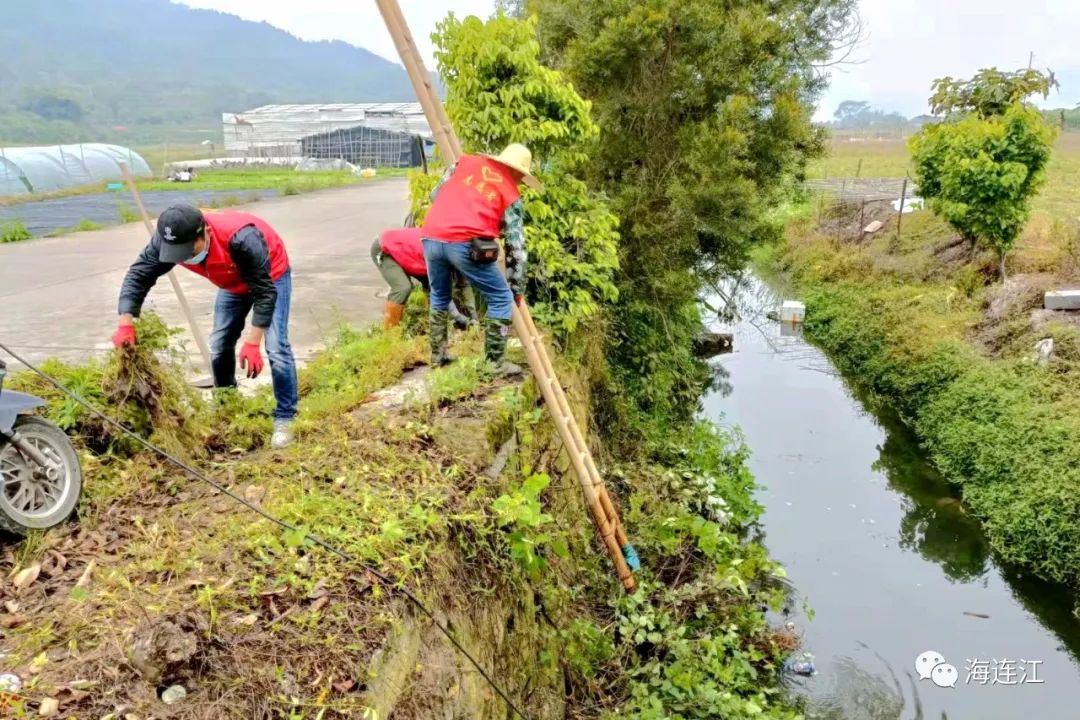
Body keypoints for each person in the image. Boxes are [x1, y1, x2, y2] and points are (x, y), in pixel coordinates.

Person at [112, 204, 298, 449]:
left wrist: (253, 341)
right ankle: (226, 405)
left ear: (205, 233)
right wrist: (126, 323)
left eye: (189, 250)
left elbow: (264, 293)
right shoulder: (168, 239)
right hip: (231, 282)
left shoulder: (242, 238)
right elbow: (139, 275)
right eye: (177, 253)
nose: (184, 257)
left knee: (276, 347)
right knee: (219, 343)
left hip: (270, 276)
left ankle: (285, 418)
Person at [420, 143, 541, 374]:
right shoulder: (510, 194)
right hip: (464, 242)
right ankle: (494, 363)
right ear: (518, 171)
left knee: (439, 295)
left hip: (430, 236)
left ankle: (438, 356)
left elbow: (435, 194)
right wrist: (516, 287)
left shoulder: (463, 165)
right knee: (501, 298)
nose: (519, 183)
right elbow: (517, 248)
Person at [372, 227, 477, 332]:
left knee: (431, 288)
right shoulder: (440, 253)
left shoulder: (458, 251)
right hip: (385, 249)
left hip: (412, 255)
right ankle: (389, 334)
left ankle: (431, 326)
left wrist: (474, 317)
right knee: (403, 287)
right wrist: (458, 317)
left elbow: (464, 285)